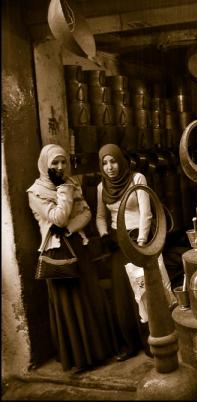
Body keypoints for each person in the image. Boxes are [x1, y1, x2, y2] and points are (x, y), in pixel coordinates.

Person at [27, 144, 117, 372]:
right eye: (54, 163)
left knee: (90, 296)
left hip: (77, 244)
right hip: (58, 253)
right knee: (71, 304)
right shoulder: (36, 192)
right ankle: (80, 357)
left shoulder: (71, 182)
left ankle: (99, 351)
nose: (60, 167)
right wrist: (63, 191)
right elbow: (58, 217)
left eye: (63, 162)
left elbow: (86, 212)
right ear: (44, 164)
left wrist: (69, 228)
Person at [96, 143, 175, 361]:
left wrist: (140, 243)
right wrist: (104, 235)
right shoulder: (102, 187)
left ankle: (152, 341)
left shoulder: (137, 179)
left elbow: (146, 213)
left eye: (113, 161)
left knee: (144, 291)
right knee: (123, 296)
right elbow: (100, 216)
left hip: (138, 239)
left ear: (121, 161)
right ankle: (130, 344)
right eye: (105, 163)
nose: (110, 167)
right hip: (117, 243)